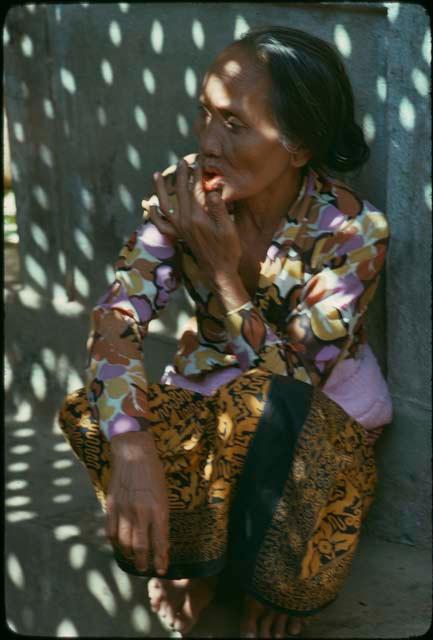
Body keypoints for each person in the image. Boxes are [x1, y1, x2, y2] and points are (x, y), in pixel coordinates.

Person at [59, 25, 392, 638]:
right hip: (216, 393)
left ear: (298, 146)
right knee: (95, 411)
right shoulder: (180, 195)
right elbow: (116, 318)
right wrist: (131, 446)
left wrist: (221, 271)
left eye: (234, 124)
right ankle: (200, 558)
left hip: (315, 416)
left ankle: (274, 571)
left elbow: (295, 389)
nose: (207, 143)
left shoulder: (351, 232)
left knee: (264, 412)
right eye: (204, 115)